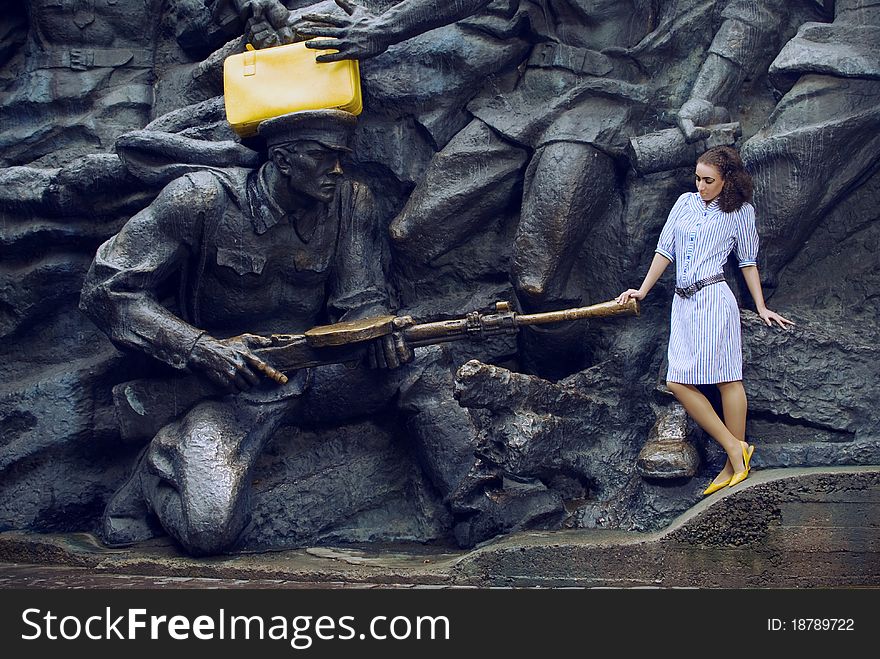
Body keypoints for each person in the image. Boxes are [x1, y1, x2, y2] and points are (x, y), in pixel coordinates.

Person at [79, 109, 487, 555]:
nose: (336, 169)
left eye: (342, 157)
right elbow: (107, 290)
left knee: (422, 365)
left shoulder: (351, 201)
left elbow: (360, 301)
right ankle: (157, 468)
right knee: (209, 530)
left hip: (316, 374)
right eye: (322, 156)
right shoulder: (201, 200)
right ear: (282, 159)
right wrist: (200, 349)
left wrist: (379, 333)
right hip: (229, 390)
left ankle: (478, 510)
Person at [615, 146, 794, 495]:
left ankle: (733, 464)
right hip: (682, 304)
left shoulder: (740, 212)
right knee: (678, 381)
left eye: (709, 180)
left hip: (714, 298)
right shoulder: (684, 203)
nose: (701, 185)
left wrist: (761, 306)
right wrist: (642, 291)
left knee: (728, 378)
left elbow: (747, 262)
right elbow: (665, 251)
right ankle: (734, 446)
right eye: (698, 178)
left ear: (727, 180)